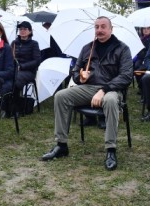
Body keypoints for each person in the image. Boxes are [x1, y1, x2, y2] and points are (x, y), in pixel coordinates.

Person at [40, 16, 133, 171]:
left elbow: (126, 76)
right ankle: (61, 145)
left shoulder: (122, 48)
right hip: (88, 88)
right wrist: (81, 77)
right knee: (61, 96)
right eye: (97, 27)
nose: (100, 30)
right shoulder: (87, 48)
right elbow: (75, 71)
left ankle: (111, 150)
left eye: (103, 27)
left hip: (112, 89)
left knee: (110, 101)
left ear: (111, 29)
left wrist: (104, 90)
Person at [7, 21, 41, 115]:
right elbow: (9, 57)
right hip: (14, 69)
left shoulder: (34, 44)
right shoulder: (14, 43)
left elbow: (37, 61)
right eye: (20, 29)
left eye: (25, 29)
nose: (22, 31)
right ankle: (6, 107)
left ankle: (15, 109)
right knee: (5, 78)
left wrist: (21, 66)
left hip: (28, 71)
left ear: (30, 31)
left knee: (16, 81)